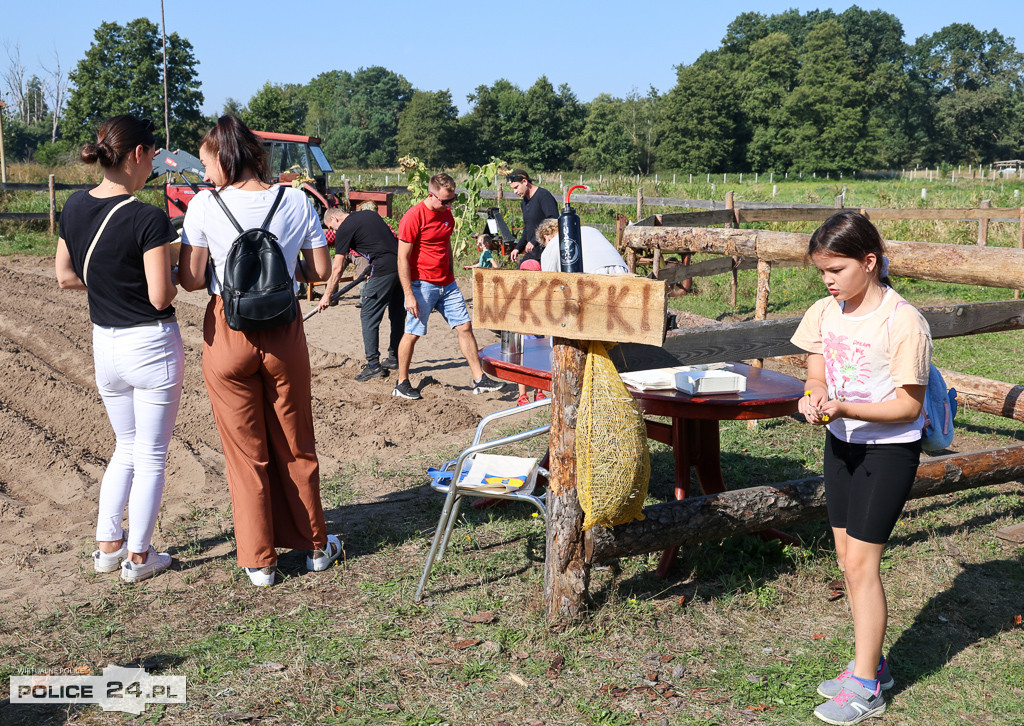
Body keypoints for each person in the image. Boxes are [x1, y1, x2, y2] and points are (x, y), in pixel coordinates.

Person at [178, 115, 341, 587]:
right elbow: (318, 270)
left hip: (228, 332)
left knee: (244, 453)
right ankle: (313, 546)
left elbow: (190, 280)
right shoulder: (295, 200)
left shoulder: (204, 206)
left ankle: (258, 561)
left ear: (225, 158)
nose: (205, 174)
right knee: (296, 441)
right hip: (284, 329)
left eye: (207, 163)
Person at [790, 211, 931, 725]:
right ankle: (871, 664)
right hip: (840, 445)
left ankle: (867, 685)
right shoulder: (826, 312)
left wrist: (845, 407)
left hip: (887, 450)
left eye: (837, 270)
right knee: (847, 558)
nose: (828, 282)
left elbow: (907, 407)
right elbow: (815, 367)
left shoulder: (903, 321)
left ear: (869, 262)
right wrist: (816, 396)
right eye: (822, 272)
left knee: (861, 566)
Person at [55, 114, 183, 583]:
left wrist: (108, 283)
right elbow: (159, 296)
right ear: (138, 154)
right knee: (151, 454)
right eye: (153, 153)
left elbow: (66, 276)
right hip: (150, 344)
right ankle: (140, 557)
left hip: (104, 344)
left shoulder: (73, 205)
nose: (155, 162)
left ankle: (108, 547)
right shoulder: (148, 217)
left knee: (124, 446)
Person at [393, 173, 505, 400]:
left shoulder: (447, 215)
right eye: (444, 201)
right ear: (430, 195)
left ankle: (479, 379)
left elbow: (445, 247)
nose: (448, 205)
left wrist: (451, 275)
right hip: (421, 283)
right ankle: (402, 383)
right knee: (413, 332)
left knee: (465, 327)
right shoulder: (413, 217)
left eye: (451, 200)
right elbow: (402, 259)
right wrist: (408, 294)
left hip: (448, 283)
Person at [319, 205, 404, 382]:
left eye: (331, 228)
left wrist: (327, 295)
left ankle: (373, 366)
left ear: (335, 219)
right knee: (396, 315)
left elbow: (338, 267)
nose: (333, 231)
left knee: (368, 315)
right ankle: (394, 358)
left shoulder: (344, 228)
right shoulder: (368, 215)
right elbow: (380, 243)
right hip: (401, 266)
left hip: (383, 269)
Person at [537, 219, 630, 275]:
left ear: (547, 238)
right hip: (622, 269)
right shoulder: (591, 230)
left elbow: (549, 279)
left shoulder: (553, 243)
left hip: (594, 275)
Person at [507, 169, 558, 269]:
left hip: (546, 249)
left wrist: (534, 241)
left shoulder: (543, 196)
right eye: (513, 189)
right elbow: (528, 228)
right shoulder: (524, 202)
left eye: (516, 187)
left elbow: (554, 221)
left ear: (525, 182)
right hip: (533, 251)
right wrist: (518, 248)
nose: (515, 191)